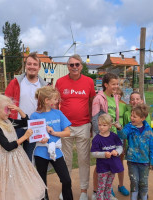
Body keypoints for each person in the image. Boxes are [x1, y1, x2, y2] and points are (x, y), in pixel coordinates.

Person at [0, 93, 46, 200]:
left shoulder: (8, 121)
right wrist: (25, 137)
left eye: (11, 109)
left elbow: (26, 122)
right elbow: (8, 146)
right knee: (11, 186)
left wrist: (19, 110)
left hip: (19, 159)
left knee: (25, 183)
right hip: (6, 162)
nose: (10, 112)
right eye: (7, 109)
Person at [55, 54, 96, 200]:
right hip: (65, 127)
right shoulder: (60, 82)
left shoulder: (89, 82)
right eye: (71, 65)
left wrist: (92, 123)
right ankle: (66, 189)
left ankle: (84, 191)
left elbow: (92, 102)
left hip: (84, 125)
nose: (74, 67)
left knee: (83, 159)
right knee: (65, 159)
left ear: (81, 66)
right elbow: (55, 104)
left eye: (77, 64)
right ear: (68, 66)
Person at [30, 86, 73, 200]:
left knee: (66, 179)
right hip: (40, 153)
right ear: (46, 100)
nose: (57, 101)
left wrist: (54, 133)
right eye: (55, 99)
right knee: (41, 181)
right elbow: (32, 136)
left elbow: (68, 132)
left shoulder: (58, 113)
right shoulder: (34, 116)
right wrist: (40, 139)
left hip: (56, 151)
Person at [91, 73, 129, 198]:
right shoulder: (98, 98)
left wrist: (117, 129)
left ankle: (109, 189)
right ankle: (97, 191)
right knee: (101, 164)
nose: (116, 86)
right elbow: (95, 118)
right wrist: (101, 135)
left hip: (113, 134)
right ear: (106, 84)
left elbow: (116, 115)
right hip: (103, 134)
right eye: (113, 84)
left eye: (117, 84)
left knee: (114, 160)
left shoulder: (116, 97)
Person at [5, 52, 47, 161]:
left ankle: (27, 178)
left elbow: (49, 107)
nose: (32, 67)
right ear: (25, 66)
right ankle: (14, 178)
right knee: (14, 157)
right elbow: (6, 103)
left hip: (34, 126)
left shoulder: (44, 86)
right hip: (16, 125)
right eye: (29, 64)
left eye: (34, 64)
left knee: (29, 159)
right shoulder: (16, 83)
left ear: (39, 67)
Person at [115, 104, 153, 200]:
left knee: (143, 182)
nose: (131, 118)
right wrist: (119, 128)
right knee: (134, 181)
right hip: (132, 160)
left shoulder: (148, 129)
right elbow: (123, 135)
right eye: (131, 115)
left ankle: (143, 197)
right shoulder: (129, 127)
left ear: (142, 118)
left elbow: (152, 146)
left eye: (134, 116)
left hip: (145, 161)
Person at [91, 114, 124, 200]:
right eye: (100, 125)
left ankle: (107, 197)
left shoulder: (114, 136)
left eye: (104, 125)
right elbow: (93, 153)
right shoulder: (97, 139)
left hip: (112, 166)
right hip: (102, 167)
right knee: (101, 187)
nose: (101, 127)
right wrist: (104, 154)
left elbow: (120, 147)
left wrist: (116, 152)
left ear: (110, 126)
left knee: (109, 186)